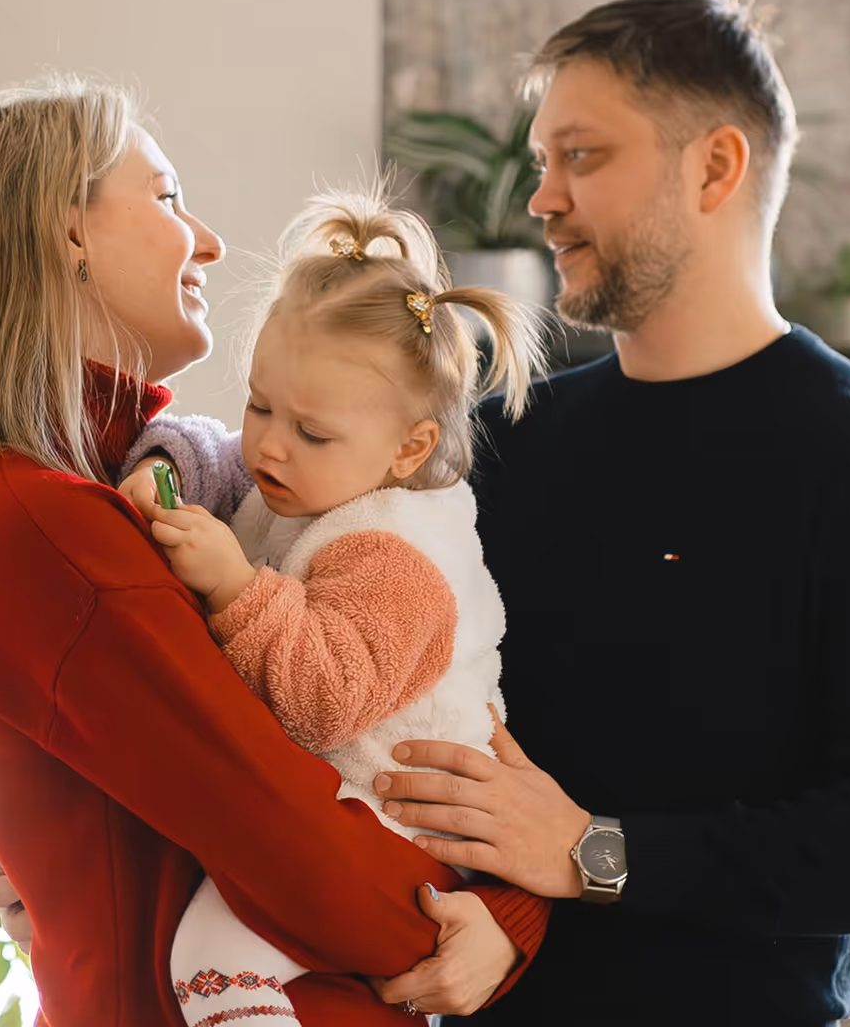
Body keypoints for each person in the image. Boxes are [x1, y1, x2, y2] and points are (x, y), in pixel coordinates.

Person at [0, 75, 549, 1027]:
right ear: (69, 234)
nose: (211, 242)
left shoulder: (96, 496)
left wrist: (504, 908)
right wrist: (492, 917)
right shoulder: (44, 526)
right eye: (169, 198)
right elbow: (291, 841)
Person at [362, 0, 850, 1025]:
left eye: (582, 156)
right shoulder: (497, 444)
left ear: (715, 167)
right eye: (543, 161)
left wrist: (592, 853)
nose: (543, 197)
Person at [110, 185, 545, 1027]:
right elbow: (219, 456)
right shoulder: (314, 475)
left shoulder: (398, 553)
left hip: (401, 826)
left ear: (409, 448)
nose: (271, 444)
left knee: (212, 963)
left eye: (309, 431)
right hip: (340, 807)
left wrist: (235, 587)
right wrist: (165, 467)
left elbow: (326, 698)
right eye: (259, 403)